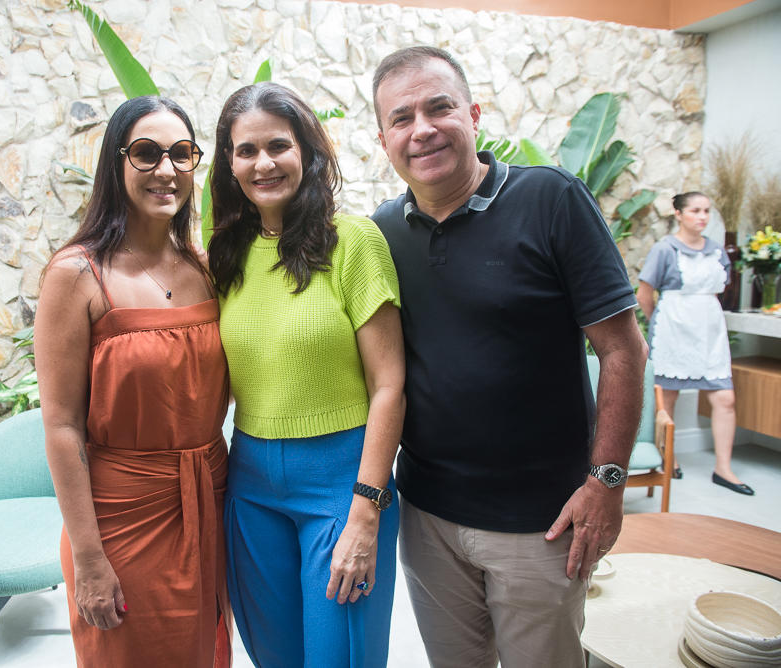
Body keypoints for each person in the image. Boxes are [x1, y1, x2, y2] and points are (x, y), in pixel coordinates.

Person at [370, 47, 648, 668]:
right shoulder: (381, 233)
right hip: (428, 516)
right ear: (384, 140)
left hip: (541, 523)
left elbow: (623, 348)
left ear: (473, 115)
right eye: (401, 118)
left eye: (439, 108)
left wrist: (606, 481)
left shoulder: (551, 199)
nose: (422, 129)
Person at [207, 82, 406, 668]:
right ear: (229, 164)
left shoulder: (354, 242)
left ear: (307, 151)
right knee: (275, 658)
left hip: (344, 485)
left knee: (339, 658)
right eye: (246, 150)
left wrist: (366, 510)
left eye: (278, 146)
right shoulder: (224, 255)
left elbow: (390, 385)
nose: (263, 163)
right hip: (251, 487)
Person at [36, 96, 232, 668]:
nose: (166, 169)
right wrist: (89, 558)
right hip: (122, 520)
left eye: (181, 153)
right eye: (146, 153)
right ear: (116, 162)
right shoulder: (77, 274)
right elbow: (62, 428)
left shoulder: (206, 267)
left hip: (210, 501)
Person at [637, 192, 753, 495]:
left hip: (710, 333)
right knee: (668, 397)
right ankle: (669, 457)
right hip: (673, 329)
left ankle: (724, 469)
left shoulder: (717, 251)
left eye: (706, 211)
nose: (702, 217)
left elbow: (719, 289)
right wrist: (661, 323)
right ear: (678, 214)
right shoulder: (664, 249)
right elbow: (644, 296)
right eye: (695, 211)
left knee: (725, 399)